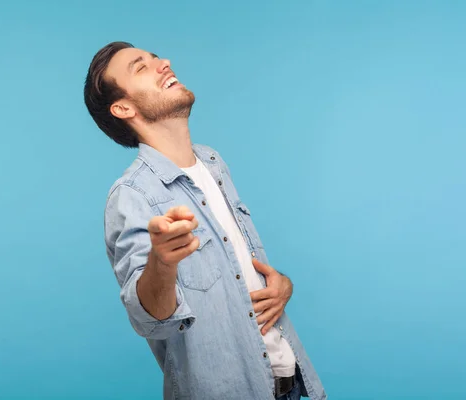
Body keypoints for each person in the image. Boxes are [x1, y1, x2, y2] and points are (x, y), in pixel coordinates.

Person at [84, 41, 326, 400]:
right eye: (141, 67)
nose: (163, 63)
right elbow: (149, 318)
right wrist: (162, 262)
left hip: (289, 385)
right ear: (123, 107)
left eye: (155, 57)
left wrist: (283, 286)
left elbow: (237, 272)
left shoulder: (213, 163)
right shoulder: (131, 195)